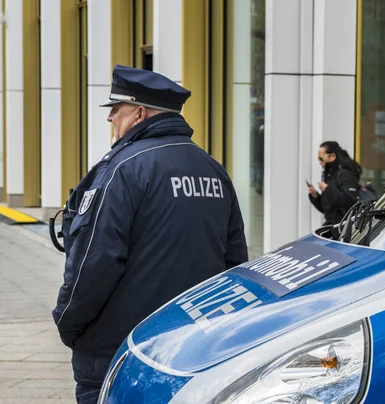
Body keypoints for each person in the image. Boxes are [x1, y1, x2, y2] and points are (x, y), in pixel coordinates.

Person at [52, 65, 248, 403]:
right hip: (191, 345)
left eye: (116, 109)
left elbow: (93, 263)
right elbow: (234, 264)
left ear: (139, 113)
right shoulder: (212, 169)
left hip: (120, 348)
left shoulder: (122, 169)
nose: (110, 118)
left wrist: (68, 322)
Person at [308, 141, 362, 225]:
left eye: (321, 158)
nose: (320, 162)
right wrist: (316, 197)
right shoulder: (331, 176)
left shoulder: (345, 173)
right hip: (332, 226)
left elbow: (349, 201)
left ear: (332, 156)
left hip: (343, 227)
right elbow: (328, 210)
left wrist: (327, 189)